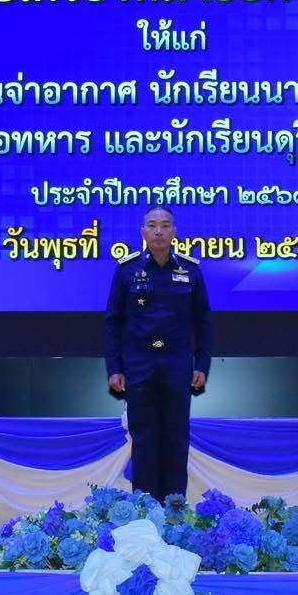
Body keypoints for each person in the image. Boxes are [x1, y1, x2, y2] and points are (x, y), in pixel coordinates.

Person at [103, 205, 213, 500]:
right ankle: (145, 509)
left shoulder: (190, 270)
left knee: (176, 439)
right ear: (143, 232)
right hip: (138, 365)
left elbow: (203, 321)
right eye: (152, 225)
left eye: (165, 225)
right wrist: (114, 368)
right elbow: (113, 321)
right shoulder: (127, 269)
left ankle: (175, 511)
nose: (159, 231)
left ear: (174, 232)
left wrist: (202, 364)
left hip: (177, 365)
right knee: (144, 439)